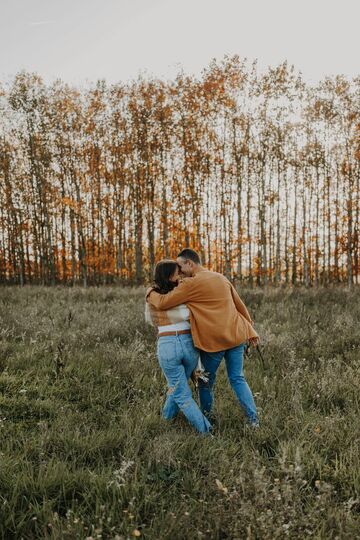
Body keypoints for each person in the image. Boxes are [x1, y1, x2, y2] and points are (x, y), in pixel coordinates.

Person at [146, 248, 260, 427]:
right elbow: (240, 305)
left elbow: (163, 303)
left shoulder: (190, 284)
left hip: (215, 342)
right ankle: (254, 421)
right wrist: (251, 330)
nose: (180, 273)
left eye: (181, 267)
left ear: (189, 264)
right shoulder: (221, 278)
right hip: (237, 336)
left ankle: (206, 417)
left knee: (204, 381)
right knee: (238, 378)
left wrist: (149, 292)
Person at [145, 259, 212, 434]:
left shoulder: (152, 295)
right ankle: (166, 418)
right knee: (177, 386)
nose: (181, 275)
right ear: (169, 275)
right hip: (189, 344)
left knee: (181, 393)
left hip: (167, 344)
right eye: (177, 272)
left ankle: (206, 431)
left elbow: (150, 321)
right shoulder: (184, 292)